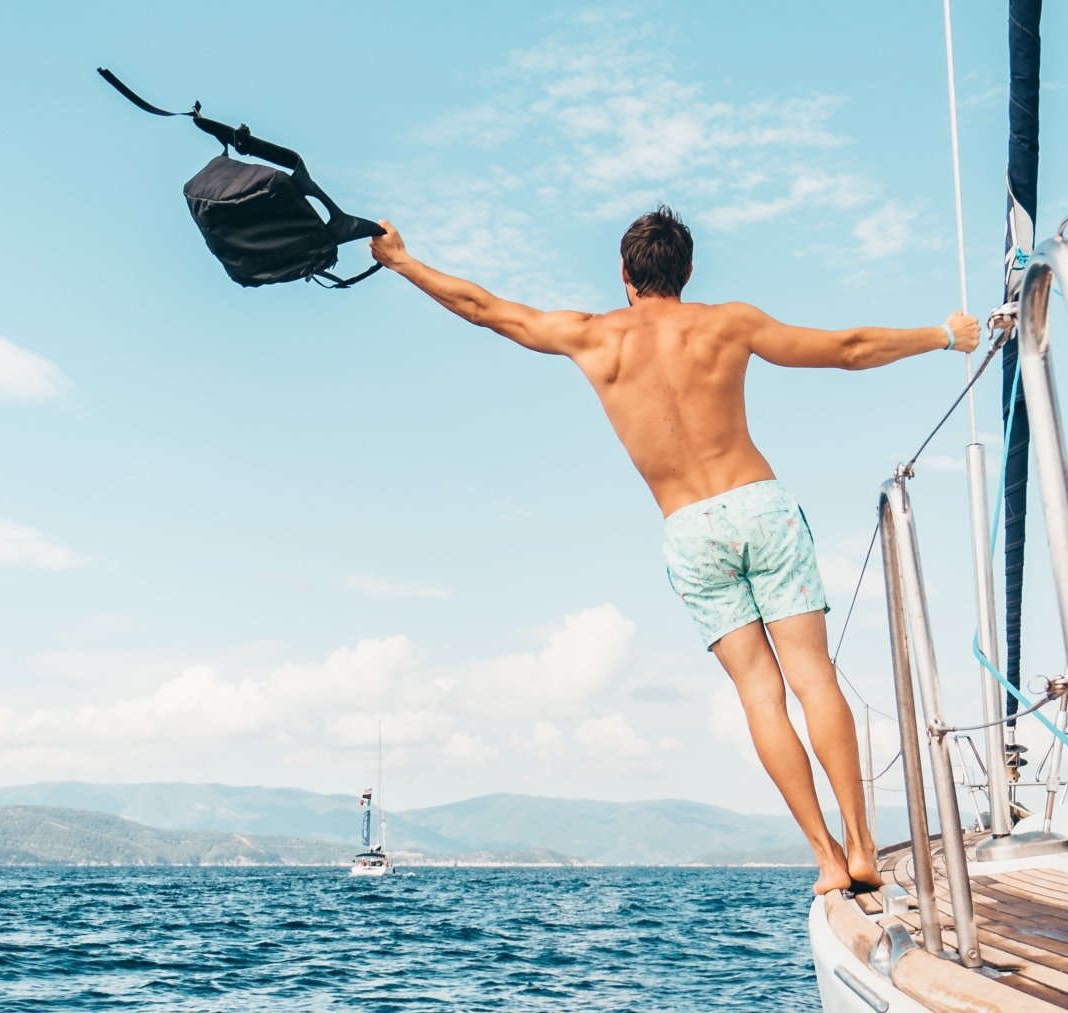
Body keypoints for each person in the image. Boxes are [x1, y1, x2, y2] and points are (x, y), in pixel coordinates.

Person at [370, 206, 980, 894]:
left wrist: (402, 261)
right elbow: (848, 348)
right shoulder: (729, 323)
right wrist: (941, 335)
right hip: (759, 503)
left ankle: (828, 860)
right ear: (687, 272)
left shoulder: (592, 337)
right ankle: (865, 845)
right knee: (814, 676)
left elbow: (483, 308)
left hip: (690, 526)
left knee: (760, 694)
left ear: (626, 275)